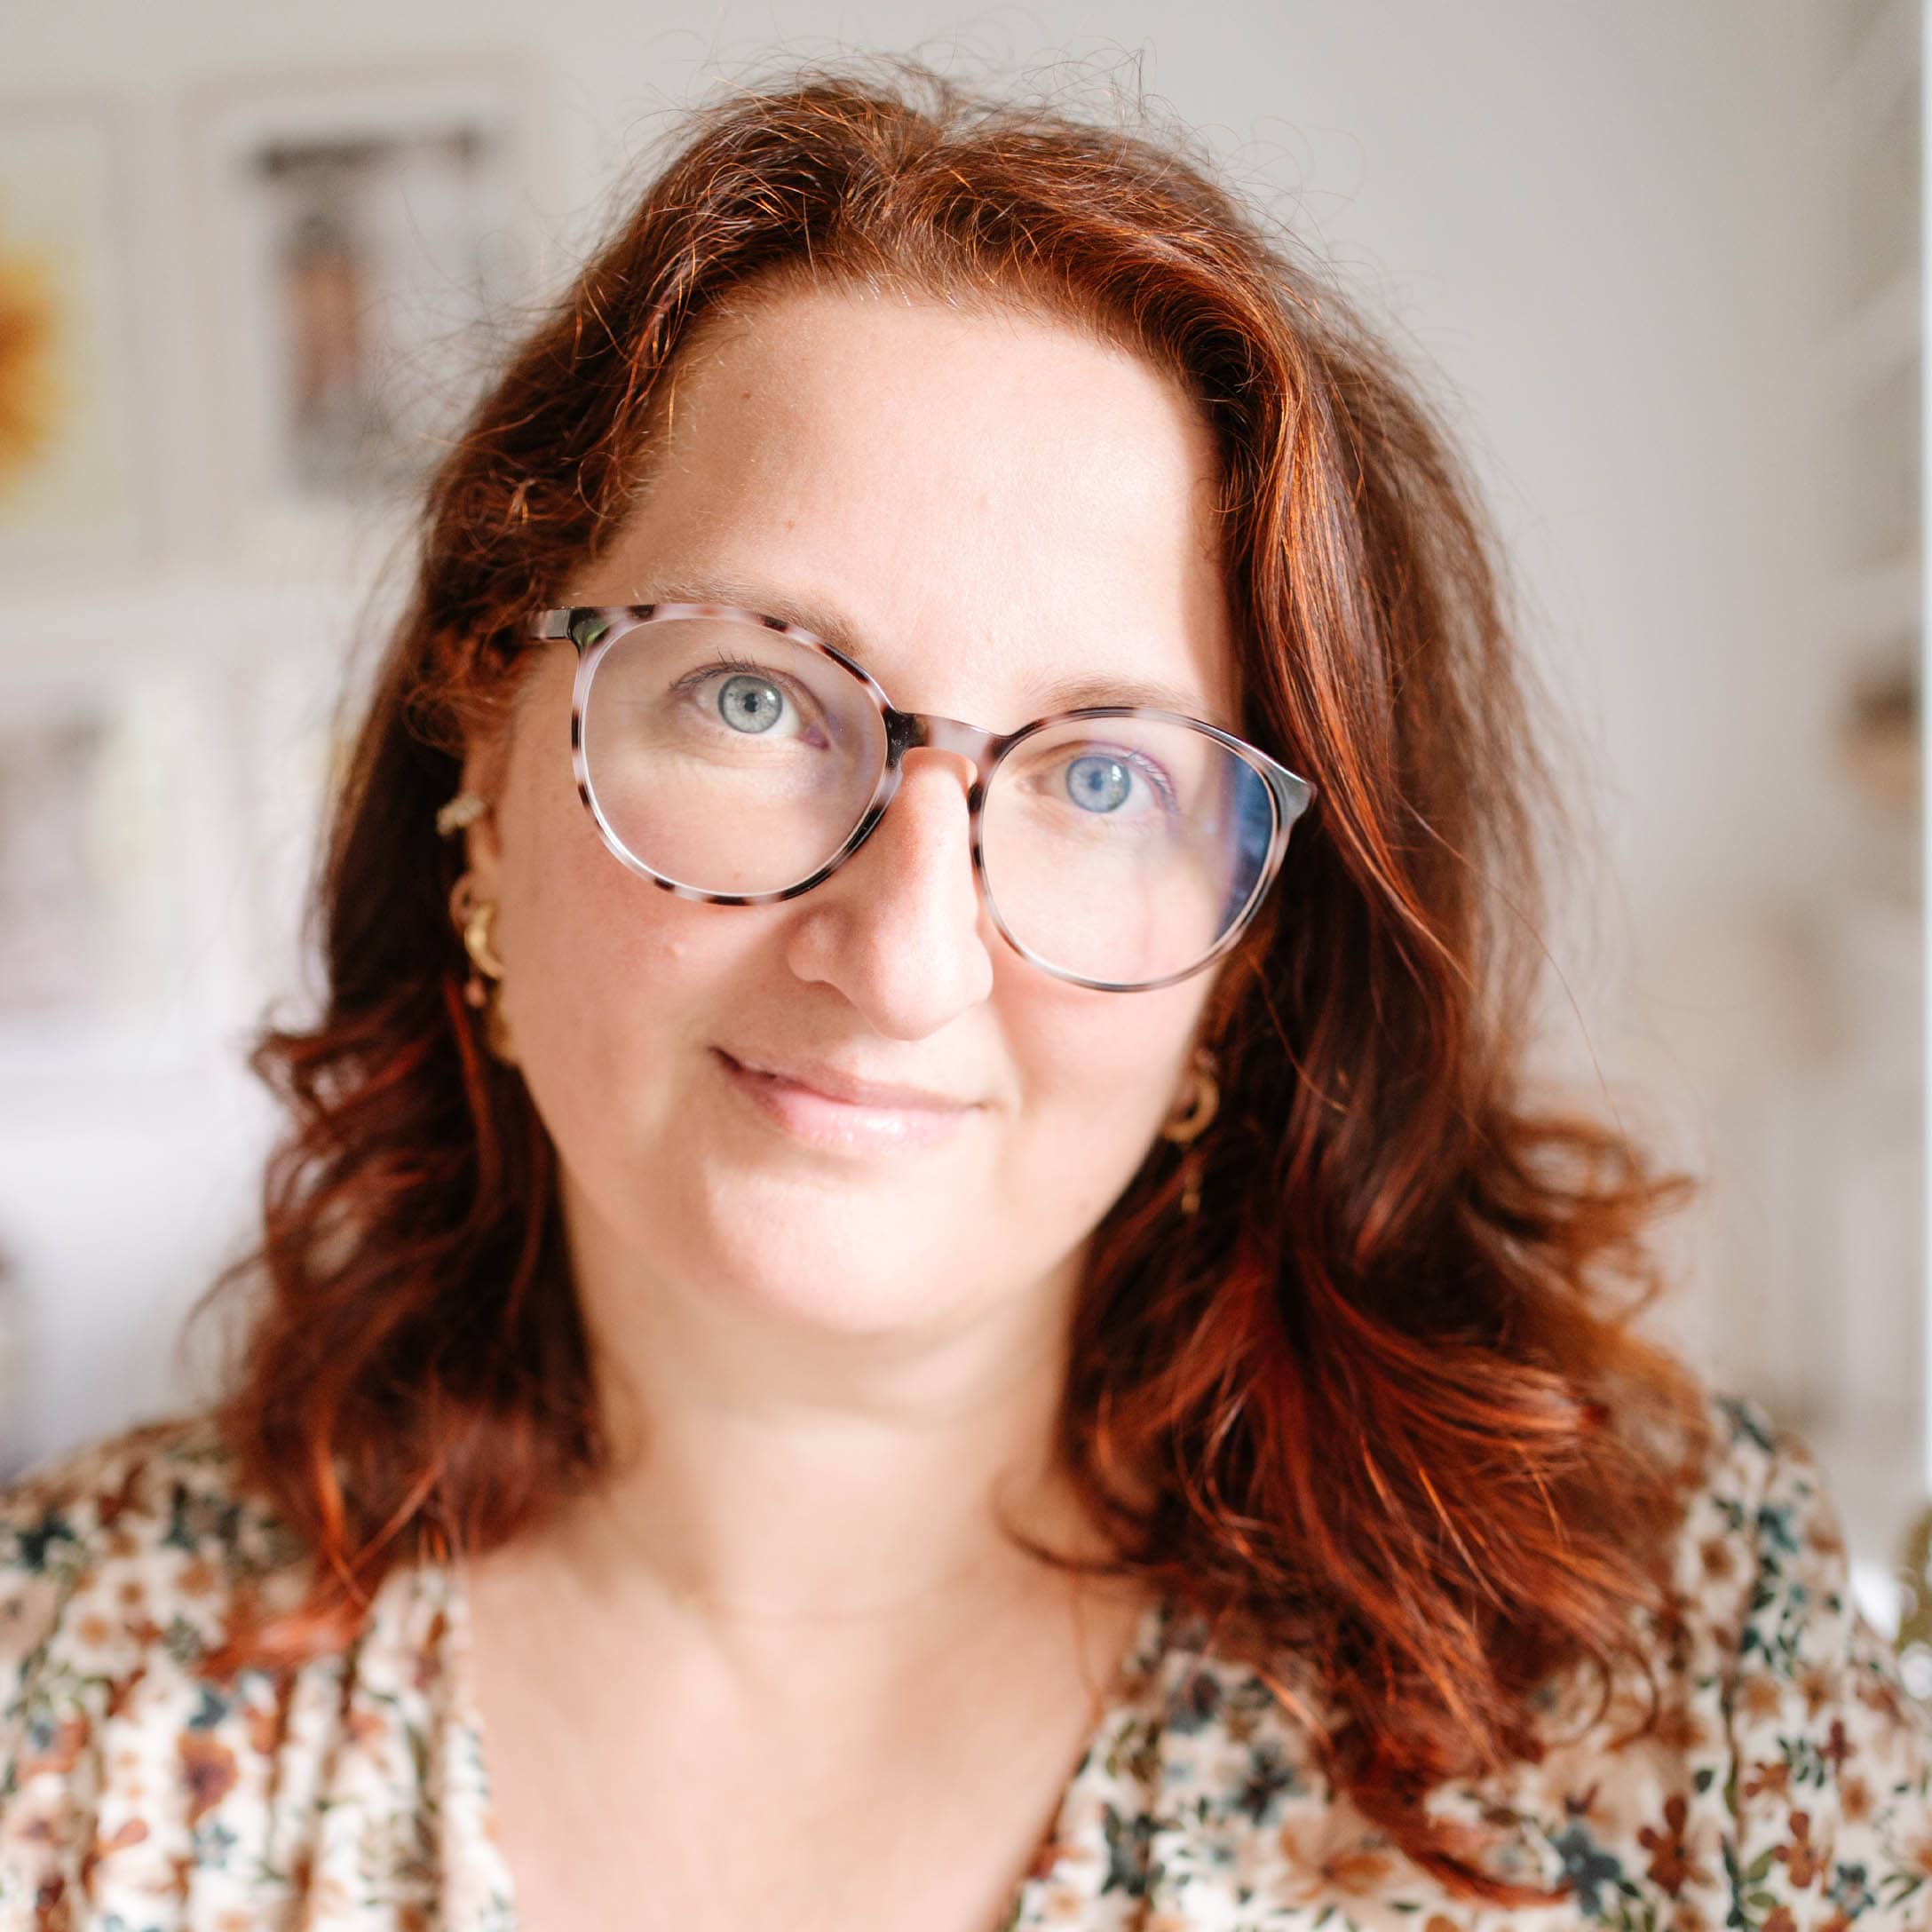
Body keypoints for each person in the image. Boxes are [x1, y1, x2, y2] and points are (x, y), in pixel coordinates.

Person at [3, 59, 1928, 1932]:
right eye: (754, 695)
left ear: (1240, 963)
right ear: (481, 780)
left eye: (1104, 777)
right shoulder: (65, 1683)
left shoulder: (1678, 1673)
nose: (904, 949)